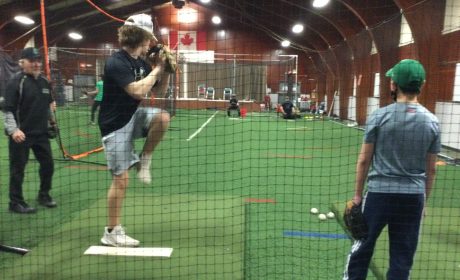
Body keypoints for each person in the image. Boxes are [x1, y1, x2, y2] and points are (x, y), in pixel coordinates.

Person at [343, 59, 441, 280]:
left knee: (362, 249)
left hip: (379, 195)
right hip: (413, 198)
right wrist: (424, 201)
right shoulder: (432, 122)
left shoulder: (380, 116)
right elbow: (431, 169)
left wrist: (358, 196)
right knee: (402, 258)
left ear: (394, 85)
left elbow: (363, 161)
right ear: (422, 85)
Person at [98, 14, 170, 247]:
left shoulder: (140, 63)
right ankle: (111, 231)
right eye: (149, 38)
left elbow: (158, 92)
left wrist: (166, 70)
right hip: (115, 126)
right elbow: (138, 91)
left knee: (162, 117)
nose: (151, 43)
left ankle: (145, 158)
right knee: (121, 180)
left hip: (132, 117)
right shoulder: (117, 62)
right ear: (142, 36)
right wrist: (157, 69)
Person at [3, 47, 57, 214]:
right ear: (22, 63)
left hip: (41, 134)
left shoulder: (44, 81)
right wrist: (14, 131)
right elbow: (7, 109)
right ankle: (15, 202)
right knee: (18, 169)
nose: (36, 64)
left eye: (38, 60)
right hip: (21, 134)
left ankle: (43, 195)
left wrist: (52, 122)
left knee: (48, 164)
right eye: (31, 61)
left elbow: (47, 104)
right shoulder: (16, 82)